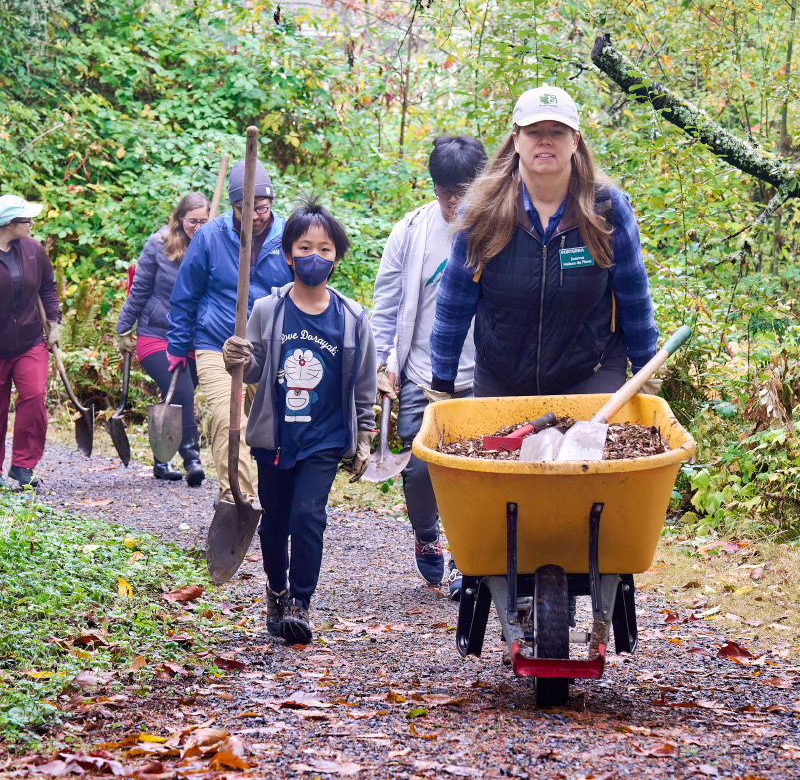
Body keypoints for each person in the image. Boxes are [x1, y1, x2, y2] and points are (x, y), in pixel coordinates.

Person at [429, 86, 659, 403]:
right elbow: (453, 305)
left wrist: (646, 374)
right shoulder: (483, 211)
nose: (545, 140)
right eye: (534, 131)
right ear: (516, 140)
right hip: (502, 378)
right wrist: (441, 385)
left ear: (575, 140)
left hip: (591, 373)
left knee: (580, 453)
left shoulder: (606, 208)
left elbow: (634, 297)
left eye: (557, 131)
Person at [221, 194, 376, 645]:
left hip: (325, 436)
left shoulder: (351, 318)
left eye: (325, 249)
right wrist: (237, 358)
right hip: (275, 435)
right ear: (289, 254)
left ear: (337, 258)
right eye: (305, 248)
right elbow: (253, 371)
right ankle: (275, 588)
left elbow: (364, 382)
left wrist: (363, 434)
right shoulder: (269, 310)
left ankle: (300, 602)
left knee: (309, 516)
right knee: (275, 522)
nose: (315, 257)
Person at [371, 135, 487, 601]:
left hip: (483, 372)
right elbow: (387, 304)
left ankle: (467, 562)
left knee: (477, 471)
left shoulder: (499, 226)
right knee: (420, 472)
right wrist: (384, 364)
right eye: (446, 193)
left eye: (465, 192)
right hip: (422, 372)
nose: (455, 203)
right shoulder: (411, 231)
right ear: (434, 188)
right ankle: (425, 531)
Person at [167, 160, 292, 505]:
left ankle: (279, 499)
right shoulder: (210, 236)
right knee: (228, 419)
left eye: (261, 208)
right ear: (232, 206)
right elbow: (185, 294)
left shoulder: (289, 236)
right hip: (217, 342)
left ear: (272, 203)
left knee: (274, 427)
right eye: (243, 208)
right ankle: (238, 501)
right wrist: (178, 346)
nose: (253, 216)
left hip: (270, 348)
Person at [116, 192, 210, 485]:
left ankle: (161, 460)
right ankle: (191, 458)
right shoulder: (159, 244)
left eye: (203, 221)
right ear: (180, 218)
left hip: (194, 337)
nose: (197, 226)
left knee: (173, 398)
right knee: (181, 391)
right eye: (192, 220)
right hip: (156, 333)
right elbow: (140, 289)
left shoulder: (213, 245)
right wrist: (123, 329)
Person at [0, 195, 61, 489]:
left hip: (29, 340)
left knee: (34, 397)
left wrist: (54, 323)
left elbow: (48, 286)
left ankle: (23, 465)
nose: (33, 225)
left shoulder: (34, 250)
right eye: (27, 220)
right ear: (9, 224)